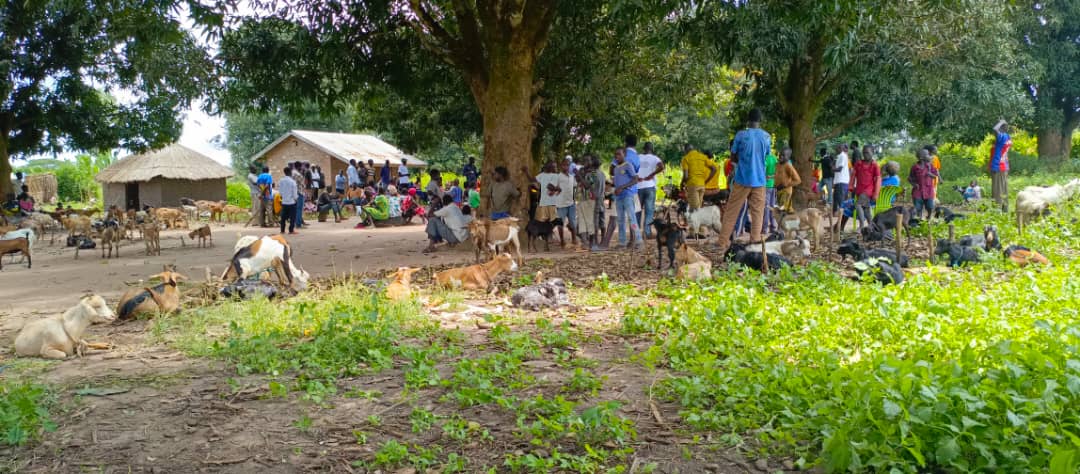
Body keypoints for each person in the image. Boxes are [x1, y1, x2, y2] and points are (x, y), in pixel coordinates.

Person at [717, 108, 771, 252]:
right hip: (759, 180)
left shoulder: (741, 135)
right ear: (760, 120)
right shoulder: (766, 137)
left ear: (748, 120)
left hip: (742, 179)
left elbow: (733, 156)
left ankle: (722, 242)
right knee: (757, 212)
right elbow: (766, 156)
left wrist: (741, 161)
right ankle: (755, 241)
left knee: (732, 211)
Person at [612, 147, 643, 249]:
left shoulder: (628, 165)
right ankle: (622, 242)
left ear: (624, 154)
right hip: (619, 197)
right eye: (615, 155)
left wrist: (622, 187)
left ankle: (638, 241)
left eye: (619, 154)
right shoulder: (616, 168)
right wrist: (615, 188)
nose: (617, 156)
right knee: (620, 219)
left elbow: (635, 179)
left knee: (632, 218)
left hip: (628, 196)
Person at [576, 155, 606, 251]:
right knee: (596, 220)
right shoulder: (602, 174)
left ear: (592, 163)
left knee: (593, 222)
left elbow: (587, 186)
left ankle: (593, 243)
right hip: (600, 199)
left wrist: (579, 176)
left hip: (592, 200)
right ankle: (594, 242)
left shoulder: (592, 174)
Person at [636, 142, 665, 238]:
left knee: (638, 210)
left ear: (644, 148)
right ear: (652, 149)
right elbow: (661, 167)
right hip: (650, 186)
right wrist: (651, 175)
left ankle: (636, 233)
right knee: (649, 211)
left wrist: (637, 177)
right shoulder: (655, 158)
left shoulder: (637, 157)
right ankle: (647, 233)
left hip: (638, 187)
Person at [849, 146, 880, 231]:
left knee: (858, 205)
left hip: (868, 190)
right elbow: (853, 175)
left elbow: (878, 179)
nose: (865, 154)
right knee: (866, 209)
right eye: (864, 153)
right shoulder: (858, 163)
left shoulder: (875, 165)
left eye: (867, 153)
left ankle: (862, 225)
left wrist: (876, 194)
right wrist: (851, 186)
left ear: (872, 153)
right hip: (859, 189)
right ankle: (872, 226)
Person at [680, 144, 717, 210]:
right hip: (702, 185)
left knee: (695, 211)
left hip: (692, 185)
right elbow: (714, 169)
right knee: (698, 208)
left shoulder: (686, 158)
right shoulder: (702, 156)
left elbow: (686, 176)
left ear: (686, 150)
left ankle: (695, 220)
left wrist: (681, 183)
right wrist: (706, 181)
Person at [909, 148, 940, 219]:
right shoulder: (914, 167)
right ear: (921, 158)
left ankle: (928, 217)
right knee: (918, 208)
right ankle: (919, 220)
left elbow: (935, 175)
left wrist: (930, 174)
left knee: (930, 206)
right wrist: (914, 184)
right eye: (928, 155)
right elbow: (910, 178)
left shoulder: (930, 166)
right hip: (918, 191)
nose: (930, 156)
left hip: (929, 191)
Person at [555, 158, 578, 248]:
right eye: (564, 165)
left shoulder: (572, 177)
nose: (566, 167)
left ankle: (574, 239)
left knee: (573, 222)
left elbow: (575, 186)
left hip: (571, 203)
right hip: (561, 204)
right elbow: (553, 187)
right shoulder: (558, 177)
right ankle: (562, 241)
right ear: (561, 166)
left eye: (568, 165)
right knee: (560, 223)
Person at [990, 120, 1011, 212]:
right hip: (1004, 167)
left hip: (998, 166)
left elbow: (994, 129)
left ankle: (997, 211)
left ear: (1001, 128)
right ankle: (1005, 209)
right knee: (1004, 189)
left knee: (997, 190)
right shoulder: (1008, 137)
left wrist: (1001, 122)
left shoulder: (1002, 137)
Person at [533, 162, 561, 228]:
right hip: (544, 202)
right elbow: (533, 180)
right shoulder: (542, 175)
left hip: (552, 203)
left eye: (556, 166)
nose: (555, 168)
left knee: (551, 220)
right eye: (554, 167)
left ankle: (548, 233)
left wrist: (556, 190)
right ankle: (545, 234)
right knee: (542, 220)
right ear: (550, 168)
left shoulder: (556, 176)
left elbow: (554, 188)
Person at [773, 147, 801, 213]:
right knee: (782, 209)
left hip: (786, 191)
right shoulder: (777, 165)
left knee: (783, 210)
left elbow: (798, 180)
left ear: (788, 157)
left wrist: (785, 185)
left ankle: (791, 220)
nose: (781, 156)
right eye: (780, 154)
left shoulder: (788, 166)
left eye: (783, 155)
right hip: (778, 191)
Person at [831, 143, 851, 218]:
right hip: (839, 181)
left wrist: (832, 168)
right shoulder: (839, 156)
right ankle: (835, 214)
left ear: (840, 148)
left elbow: (839, 169)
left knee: (841, 200)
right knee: (836, 198)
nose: (835, 150)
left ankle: (844, 216)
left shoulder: (843, 156)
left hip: (842, 181)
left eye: (837, 148)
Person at [278, 166, 299, 235]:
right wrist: (296, 199)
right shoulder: (292, 182)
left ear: (284, 172)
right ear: (290, 173)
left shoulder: (281, 181)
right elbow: (295, 193)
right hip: (292, 202)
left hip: (284, 202)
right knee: (292, 217)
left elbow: (280, 192)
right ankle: (291, 230)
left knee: (283, 217)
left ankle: (282, 230)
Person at [762, 151, 778, 233]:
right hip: (773, 185)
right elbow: (777, 171)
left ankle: (764, 228)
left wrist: (766, 176)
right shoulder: (774, 158)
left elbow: (762, 171)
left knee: (766, 207)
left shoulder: (765, 158)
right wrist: (772, 176)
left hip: (766, 185)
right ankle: (773, 227)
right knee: (772, 206)